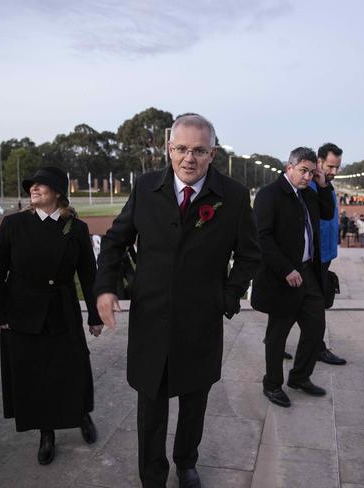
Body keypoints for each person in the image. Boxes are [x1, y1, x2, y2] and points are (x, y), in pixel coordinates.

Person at [94, 113, 260, 488]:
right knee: (150, 405)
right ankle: (152, 475)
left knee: (193, 400)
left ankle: (186, 462)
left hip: (200, 322)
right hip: (151, 319)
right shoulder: (146, 187)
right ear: (169, 149)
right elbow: (115, 241)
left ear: (212, 153)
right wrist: (105, 288)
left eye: (199, 151)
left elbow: (250, 255)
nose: (189, 158)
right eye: (181, 149)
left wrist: (228, 297)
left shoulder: (232, 196)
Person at [0, 167, 103, 465]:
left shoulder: (75, 228)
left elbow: (89, 275)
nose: (34, 189)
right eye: (32, 186)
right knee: (34, 376)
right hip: (22, 312)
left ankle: (81, 415)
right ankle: (46, 433)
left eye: (42, 186)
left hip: (62, 309)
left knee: (73, 368)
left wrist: (94, 314)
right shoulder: (13, 225)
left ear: (58, 193)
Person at [251, 147, 335, 409]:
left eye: (312, 172)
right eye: (303, 171)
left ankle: (299, 377)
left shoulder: (308, 194)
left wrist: (322, 185)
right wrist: (286, 269)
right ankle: (272, 384)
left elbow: (328, 212)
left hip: (307, 272)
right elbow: (261, 238)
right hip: (282, 276)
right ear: (289, 167)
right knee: (278, 334)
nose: (308, 176)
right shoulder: (269, 195)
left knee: (315, 326)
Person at [307, 143, 346, 365]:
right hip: (314, 257)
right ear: (319, 162)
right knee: (317, 304)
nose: (334, 171)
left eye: (337, 167)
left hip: (326, 254)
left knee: (303, 303)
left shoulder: (327, 185)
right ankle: (318, 348)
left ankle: (275, 340)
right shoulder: (311, 186)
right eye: (331, 166)